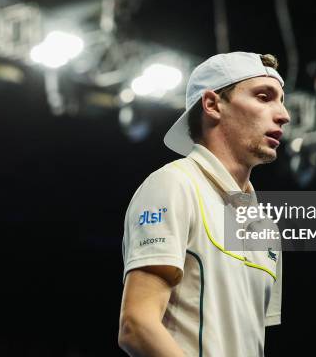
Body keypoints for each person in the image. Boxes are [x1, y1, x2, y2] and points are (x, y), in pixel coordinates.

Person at [118, 52, 291, 356]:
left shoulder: (265, 226)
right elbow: (136, 325)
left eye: (281, 100)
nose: (283, 114)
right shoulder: (174, 185)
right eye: (264, 97)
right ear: (212, 105)